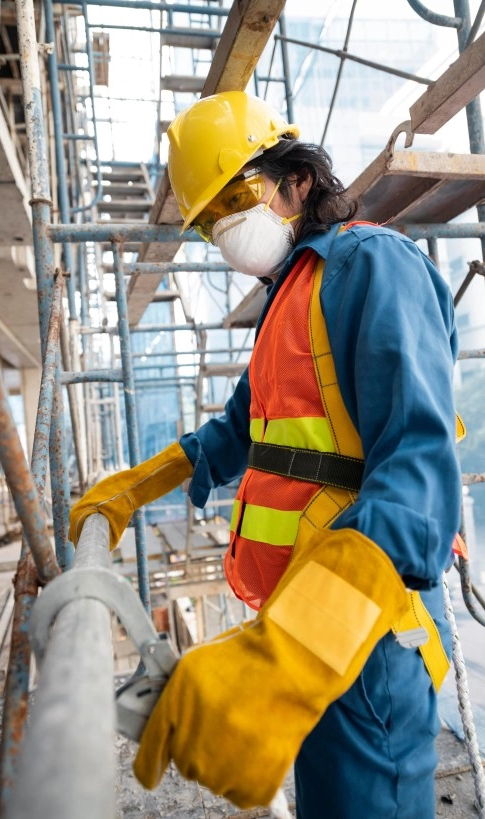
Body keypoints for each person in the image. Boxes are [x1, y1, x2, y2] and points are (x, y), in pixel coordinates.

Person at [69, 91, 462, 819]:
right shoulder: (291, 297)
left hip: (362, 631)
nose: (225, 228)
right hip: (302, 619)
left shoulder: (372, 266)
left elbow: (417, 479)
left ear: (297, 180)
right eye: (209, 219)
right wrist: (134, 488)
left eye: (236, 198)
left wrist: (286, 652)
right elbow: (238, 430)